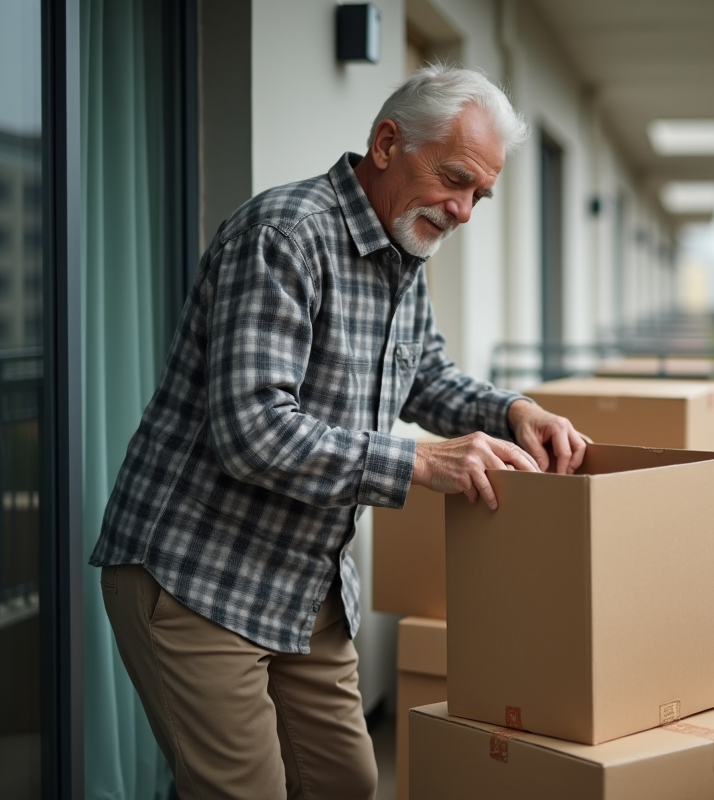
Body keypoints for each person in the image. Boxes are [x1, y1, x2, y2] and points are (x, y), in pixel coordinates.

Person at [89, 65, 587, 799]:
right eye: (456, 180)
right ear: (388, 143)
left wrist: (513, 412)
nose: (464, 211)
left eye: (480, 194)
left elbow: (426, 377)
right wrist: (420, 462)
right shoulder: (285, 235)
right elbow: (253, 429)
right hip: (195, 575)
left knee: (346, 783)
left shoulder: (404, 250)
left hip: (302, 582)